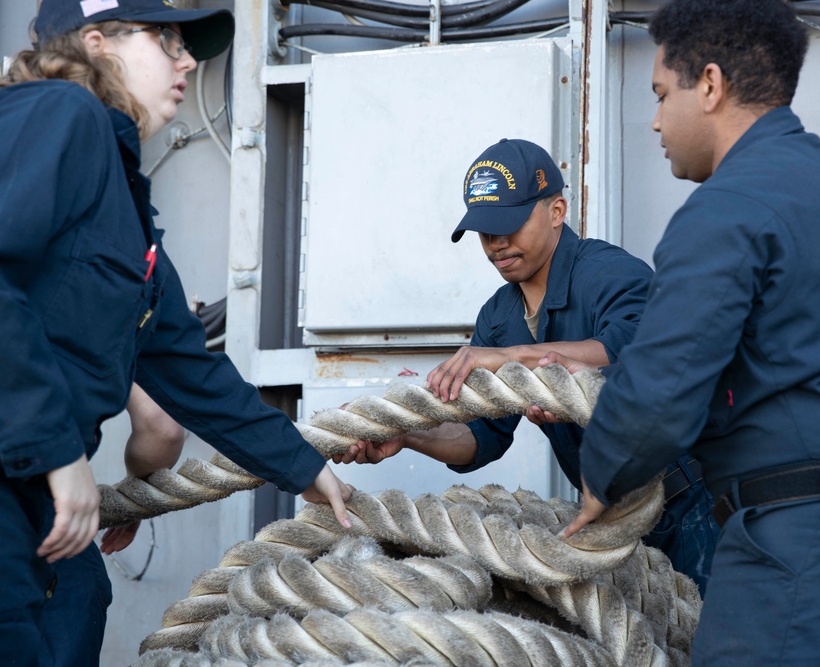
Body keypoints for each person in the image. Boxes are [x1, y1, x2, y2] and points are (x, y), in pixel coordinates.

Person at [548, 0, 820, 665]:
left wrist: (600, 476)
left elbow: (659, 392)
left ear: (711, 86)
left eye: (662, 94)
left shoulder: (728, 206)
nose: (656, 120)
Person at [0, 1, 354, 664]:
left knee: (79, 599)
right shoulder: (58, 115)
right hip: (24, 470)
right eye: (165, 39)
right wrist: (60, 454)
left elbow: (189, 369)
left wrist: (306, 468)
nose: (187, 60)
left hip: (38, 502)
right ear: (98, 43)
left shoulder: (129, 207)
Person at [339, 138, 718, 591]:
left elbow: (641, 353)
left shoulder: (609, 274)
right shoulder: (498, 318)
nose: (498, 243)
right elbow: (481, 437)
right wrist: (410, 434)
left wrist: (513, 358)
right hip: (611, 525)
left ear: (556, 211)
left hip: (694, 504)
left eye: (510, 224)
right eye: (485, 231)